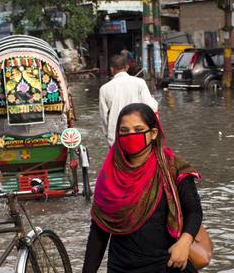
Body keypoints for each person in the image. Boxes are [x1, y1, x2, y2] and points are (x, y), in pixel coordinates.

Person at [83, 103, 202, 273]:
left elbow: (194, 211)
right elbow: (99, 230)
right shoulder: (109, 176)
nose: (131, 135)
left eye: (138, 130)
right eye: (124, 131)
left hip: (167, 263)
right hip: (121, 267)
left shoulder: (172, 168)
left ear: (153, 133)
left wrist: (185, 242)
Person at [99, 55, 158, 145]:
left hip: (117, 136)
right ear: (127, 67)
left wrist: (108, 134)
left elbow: (103, 116)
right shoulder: (140, 82)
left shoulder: (104, 89)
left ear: (111, 69)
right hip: (138, 133)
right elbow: (151, 106)